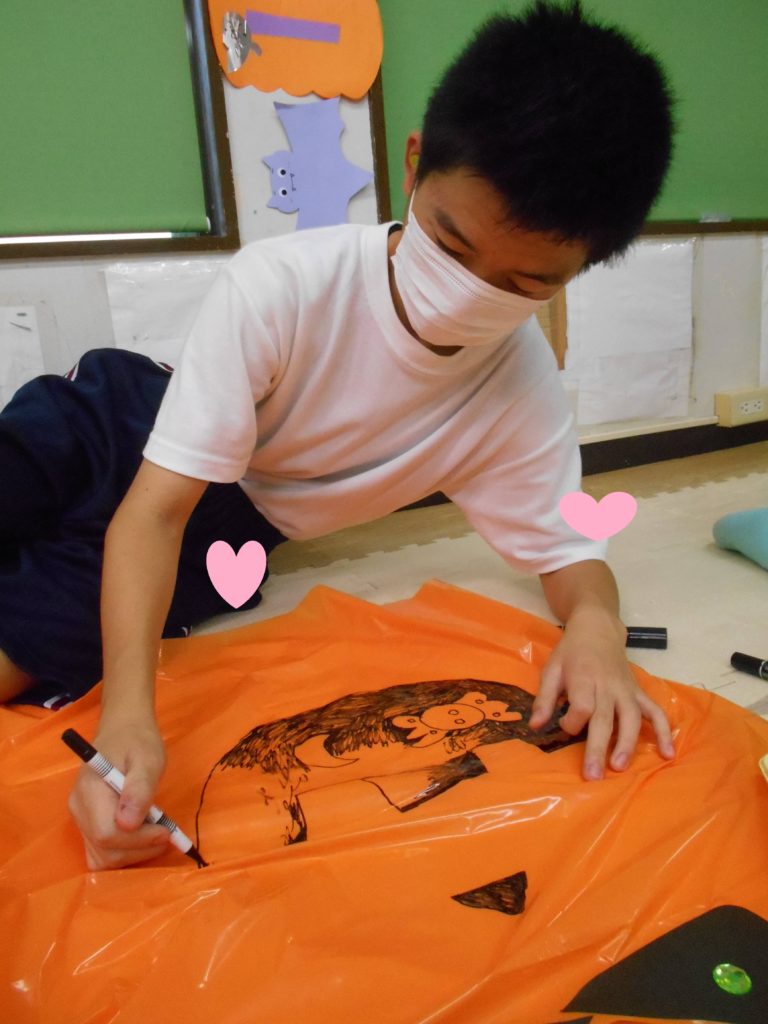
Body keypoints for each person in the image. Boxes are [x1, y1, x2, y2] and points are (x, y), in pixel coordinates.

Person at [0, 0, 676, 868]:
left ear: (581, 269)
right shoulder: (286, 284)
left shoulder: (518, 389)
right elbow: (153, 507)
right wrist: (129, 715)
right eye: (450, 243)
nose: (467, 294)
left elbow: (570, 551)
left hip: (225, 526)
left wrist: (598, 632)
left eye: (524, 283)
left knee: (27, 649)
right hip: (120, 421)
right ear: (414, 164)